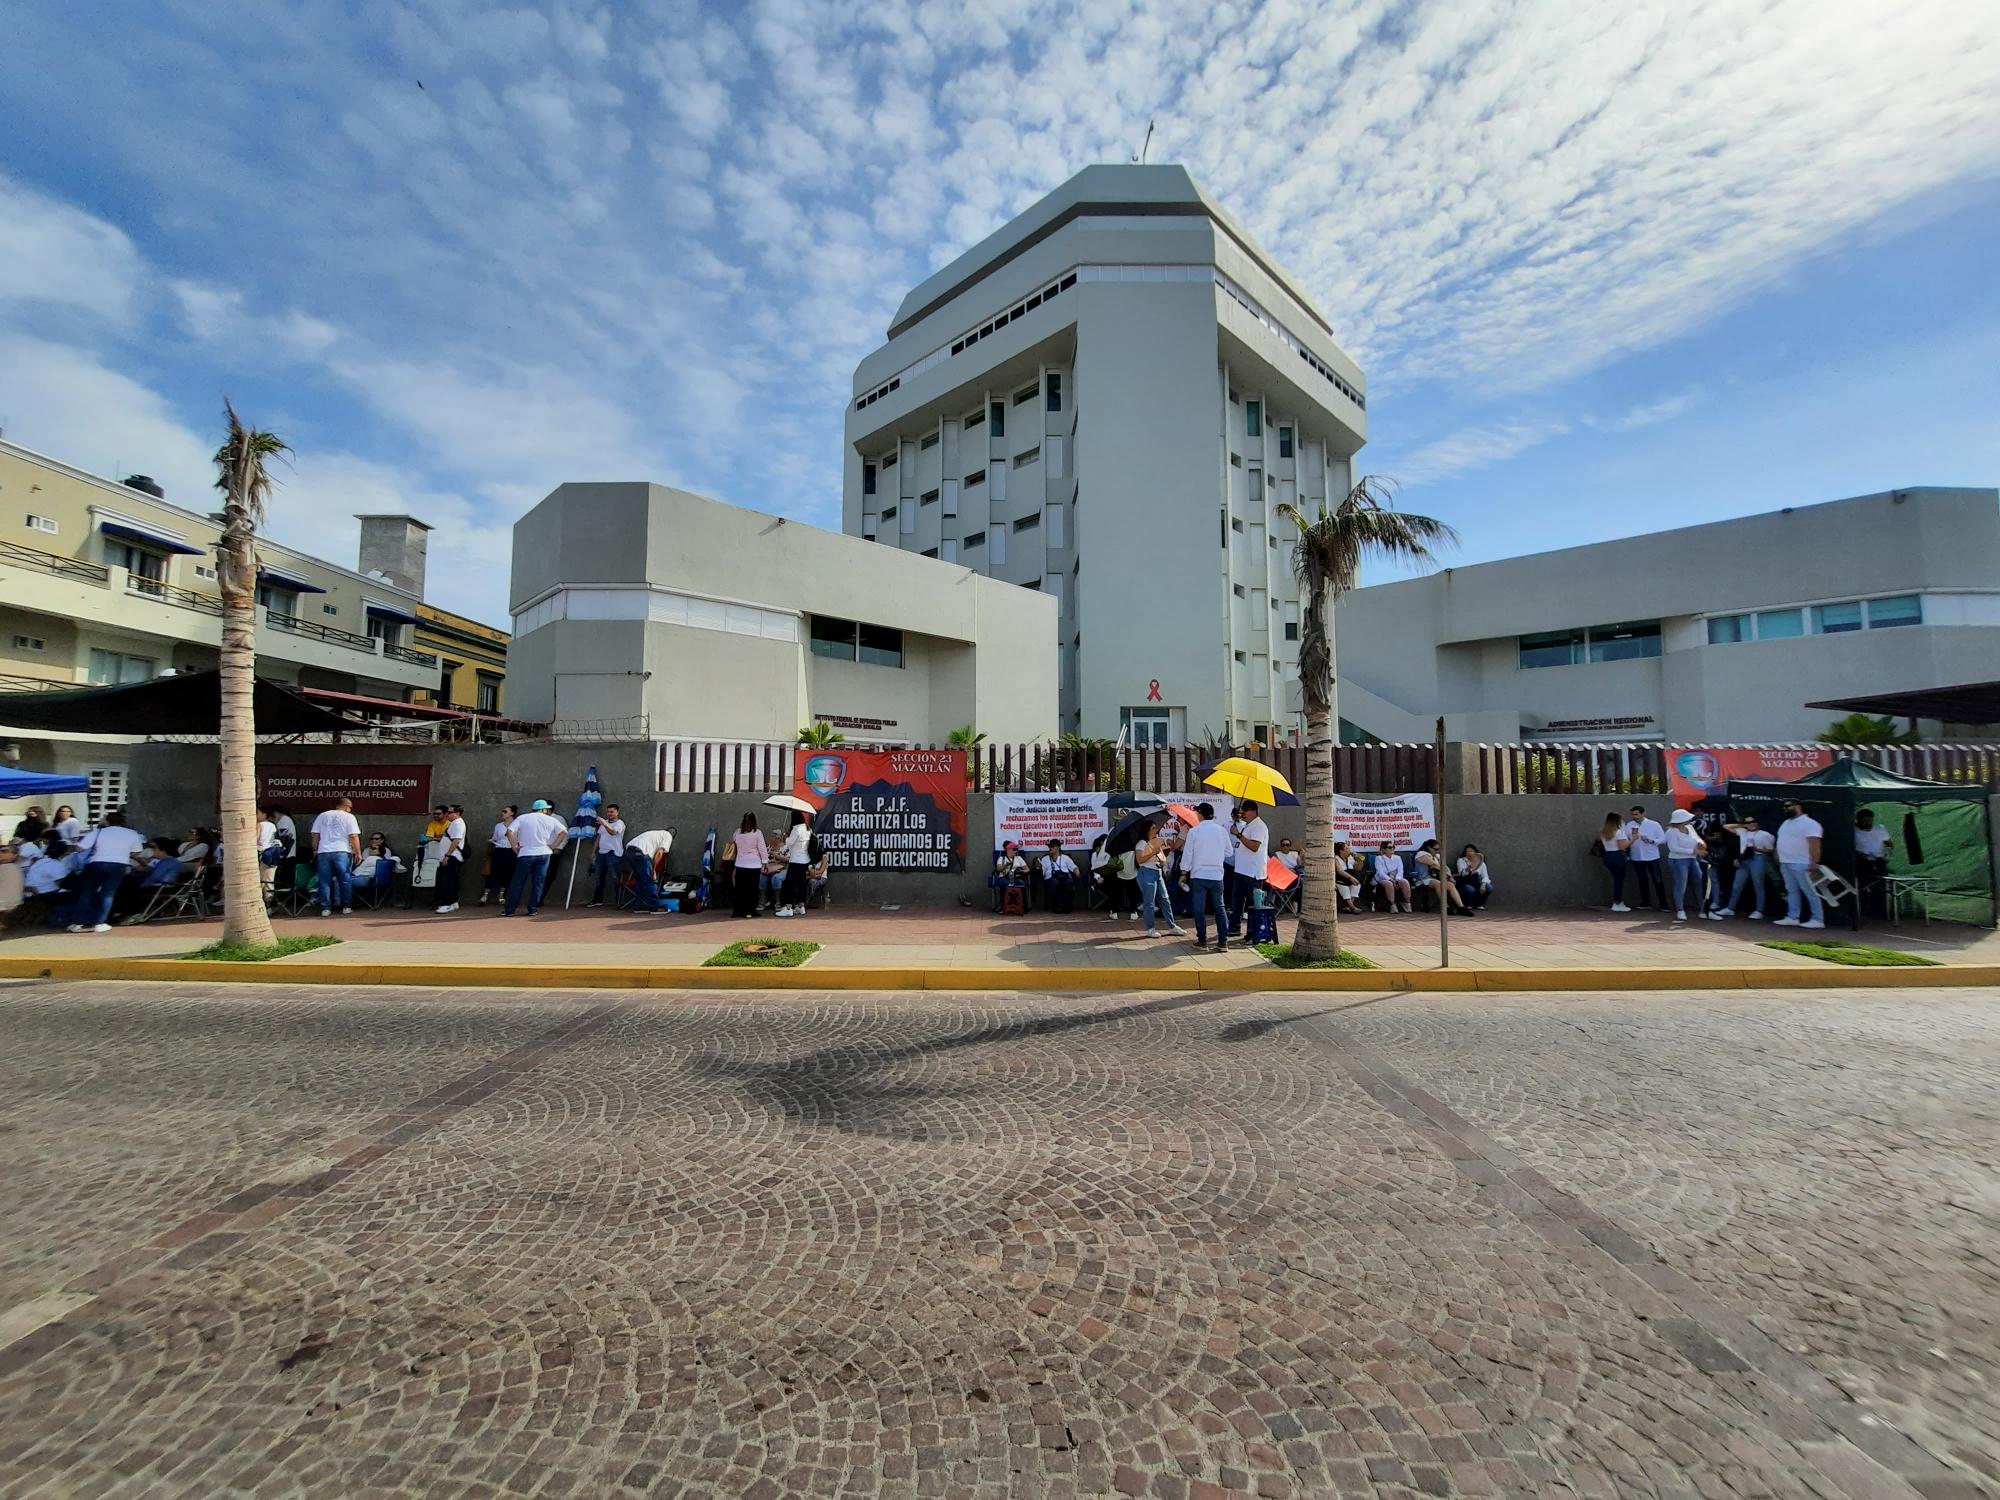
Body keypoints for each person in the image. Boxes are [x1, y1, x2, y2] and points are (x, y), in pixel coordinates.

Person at [63, 811, 148, 933]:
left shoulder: (98, 832)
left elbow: (80, 848)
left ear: (107, 821)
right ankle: (100, 922)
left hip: (96, 862)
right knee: (108, 893)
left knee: (86, 893)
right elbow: (135, 853)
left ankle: (78, 923)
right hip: (119, 864)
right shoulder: (132, 833)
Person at [1178, 802, 1232, 951]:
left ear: (1200, 814)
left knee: (1199, 909)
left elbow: (1187, 855)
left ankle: (1202, 941)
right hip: (1216, 875)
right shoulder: (1221, 831)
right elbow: (1229, 852)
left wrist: (1183, 873)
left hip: (1199, 875)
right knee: (1219, 907)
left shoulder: (1194, 832)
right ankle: (1223, 942)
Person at [504, 799, 568, 916]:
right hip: (544, 853)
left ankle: (510, 909)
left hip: (526, 853)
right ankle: (532, 908)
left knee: (518, 882)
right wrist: (553, 845)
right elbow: (563, 832)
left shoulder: (523, 818)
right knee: (538, 882)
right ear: (544, 809)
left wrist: (514, 846)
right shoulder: (551, 819)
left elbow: (509, 832)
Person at [1773, 798, 1826, 929]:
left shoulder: (1810, 823)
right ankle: (1792, 917)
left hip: (1802, 862)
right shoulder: (1785, 823)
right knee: (1791, 890)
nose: (1785, 809)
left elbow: (1815, 844)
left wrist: (1814, 862)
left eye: (1788, 806)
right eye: (1784, 807)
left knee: (1810, 891)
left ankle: (1818, 919)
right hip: (1786, 862)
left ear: (1798, 806)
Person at [1715, 813, 1775, 920]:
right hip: (1744, 858)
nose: (1751, 824)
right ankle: (1730, 908)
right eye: (1748, 822)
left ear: (1757, 823)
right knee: (1737, 884)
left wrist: (1758, 849)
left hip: (1758, 858)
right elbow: (1726, 826)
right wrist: (1742, 825)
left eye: (1753, 822)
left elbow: (1770, 850)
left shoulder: (1764, 834)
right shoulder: (1742, 831)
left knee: (1758, 884)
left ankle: (1759, 910)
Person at [311, 796, 363, 917]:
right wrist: (358, 852)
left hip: (323, 851)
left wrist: (315, 849)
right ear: (346, 806)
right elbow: (353, 836)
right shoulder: (349, 817)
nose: (350, 810)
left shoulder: (322, 816)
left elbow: (314, 834)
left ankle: (325, 908)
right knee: (345, 879)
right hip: (342, 851)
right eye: (350, 807)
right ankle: (346, 906)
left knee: (324, 880)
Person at [1663, 809, 1718, 922]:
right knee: (1681, 885)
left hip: (1693, 860)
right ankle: (1680, 910)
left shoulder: (1690, 828)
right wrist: (1694, 851)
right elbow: (1674, 848)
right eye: (1687, 818)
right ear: (1681, 820)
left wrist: (1701, 844)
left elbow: (1697, 838)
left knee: (1699, 882)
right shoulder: (1671, 832)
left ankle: (1704, 910)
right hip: (1677, 861)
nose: (1690, 819)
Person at [1133, 821, 1185, 937]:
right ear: (1147, 830)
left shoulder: (1155, 842)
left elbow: (1162, 858)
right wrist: (1153, 853)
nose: (1156, 829)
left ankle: (1172, 926)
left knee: (1165, 899)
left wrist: (1162, 861)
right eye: (1153, 827)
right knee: (1149, 902)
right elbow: (1140, 860)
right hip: (1146, 872)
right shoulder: (1141, 843)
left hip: (1157, 872)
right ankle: (1150, 928)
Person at [1227, 802, 1271, 934]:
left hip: (1252, 872)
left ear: (1254, 811)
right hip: (1241, 869)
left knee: (1253, 903)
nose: (1242, 814)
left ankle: (1254, 931)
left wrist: (1238, 835)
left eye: (1245, 811)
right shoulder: (1248, 825)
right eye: (1242, 810)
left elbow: (1254, 846)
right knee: (1236, 901)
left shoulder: (1259, 826)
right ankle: (1235, 927)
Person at [1624, 805, 1667, 909]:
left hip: (1652, 856)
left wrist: (1652, 841)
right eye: (1632, 814)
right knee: (1642, 880)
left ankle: (1664, 903)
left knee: (1657, 880)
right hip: (1637, 857)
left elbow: (1663, 839)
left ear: (1643, 814)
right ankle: (1645, 902)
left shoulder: (1654, 824)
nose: (1634, 816)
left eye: (1636, 814)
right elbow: (1625, 838)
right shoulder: (1629, 825)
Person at [1853, 809, 1894, 919]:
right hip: (1862, 862)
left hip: (1879, 861)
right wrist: (1859, 854)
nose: (1868, 824)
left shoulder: (1880, 829)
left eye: (1870, 821)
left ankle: (1879, 912)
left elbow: (1889, 844)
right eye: (1865, 821)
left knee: (1880, 887)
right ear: (1858, 820)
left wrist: (1888, 853)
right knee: (1862, 887)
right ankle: (1864, 912)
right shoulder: (1852, 830)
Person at [621, 827, 674, 910]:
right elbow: (660, 853)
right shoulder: (668, 836)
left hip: (628, 852)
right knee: (650, 880)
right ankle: (655, 906)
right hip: (641, 852)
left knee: (640, 880)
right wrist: (653, 870)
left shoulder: (654, 833)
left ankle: (639, 905)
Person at [587, 802, 628, 907]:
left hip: (613, 853)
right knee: (599, 878)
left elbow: (613, 832)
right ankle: (597, 900)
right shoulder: (604, 823)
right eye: (608, 811)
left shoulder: (620, 823)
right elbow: (599, 837)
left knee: (615, 878)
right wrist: (593, 852)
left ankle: (619, 901)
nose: (609, 814)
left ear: (617, 812)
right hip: (601, 853)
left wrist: (604, 824)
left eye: (612, 812)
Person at [728, 813, 768, 919]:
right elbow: (762, 848)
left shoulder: (737, 832)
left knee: (740, 889)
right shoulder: (757, 833)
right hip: (754, 864)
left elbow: (734, 842)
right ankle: (751, 910)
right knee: (752, 889)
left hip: (740, 863)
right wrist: (765, 861)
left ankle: (738, 910)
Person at [1413, 839, 1466, 913]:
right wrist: (1444, 870)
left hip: (1434, 879)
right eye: (1435, 849)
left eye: (1439, 849)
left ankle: (1461, 907)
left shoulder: (1436, 856)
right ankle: (1445, 907)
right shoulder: (1421, 854)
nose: (1437, 851)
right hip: (1422, 879)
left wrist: (1449, 875)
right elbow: (1435, 865)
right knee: (1438, 884)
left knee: (1450, 885)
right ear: (1429, 847)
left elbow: (1445, 866)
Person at [776, 809, 813, 918]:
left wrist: (785, 838)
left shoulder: (796, 829)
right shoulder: (808, 829)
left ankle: (788, 908)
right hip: (804, 860)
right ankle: (801, 906)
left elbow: (790, 842)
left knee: (789, 884)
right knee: (801, 883)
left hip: (795, 860)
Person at [481, 805, 518, 906]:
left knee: (507, 874)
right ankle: (485, 895)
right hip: (499, 850)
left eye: (505, 811)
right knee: (493, 872)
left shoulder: (517, 825)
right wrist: (491, 840)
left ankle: (501, 895)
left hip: (511, 851)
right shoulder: (498, 825)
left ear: (512, 813)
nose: (503, 813)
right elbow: (495, 837)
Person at [433, 805, 467, 913]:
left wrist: (447, 855)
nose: (447, 814)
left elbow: (456, 840)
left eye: (450, 812)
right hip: (450, 857)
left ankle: (447, 904)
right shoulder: (454, 823)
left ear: (457, 813)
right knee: (450, 881)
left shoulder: (458, 824)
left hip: (452, 857)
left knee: (448, 882)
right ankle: (453, 902)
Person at [1596, 812, 1632, 911]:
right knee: (1619, 880)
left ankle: (1618, 901)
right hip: (1618, 856)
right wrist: (1633, 839)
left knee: (1617, 879)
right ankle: (1618, 902)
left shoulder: (1603, 832)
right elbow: (1622, 846)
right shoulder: (1619, 832)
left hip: (1608, 856)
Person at [1372, 841, 1412, 913]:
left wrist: (1397, 879)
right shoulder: (1379, 858)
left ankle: (1407, 903)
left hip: (1395, 877)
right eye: (1390, 847)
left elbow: (1400, 871)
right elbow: (1380, 873)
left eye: (1393, 847)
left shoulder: (1398, 858)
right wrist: (1391, 880)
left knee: (1405, 882)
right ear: (1384, 850)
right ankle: (1392, 905)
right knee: (1389, 884)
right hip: (1382, 878)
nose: (1392, 849)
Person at [1040, 840, 1078, 914]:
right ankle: (1057, 906)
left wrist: (1076, 870)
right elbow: (1042, 872)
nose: (1049, 848)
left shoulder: (1065, 857)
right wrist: (1038, 868)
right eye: (1049, 847)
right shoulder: (1045, 859)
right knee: (1055, 882)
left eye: (1051, 846)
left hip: (1064, 877)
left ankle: (1067, 905)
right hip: (1051, 878)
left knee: (1069, 882)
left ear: (1057, 847)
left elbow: (1073, 867)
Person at [990, 841, 1030, 912]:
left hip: (1016, 876)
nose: (1016, 851)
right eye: (1014, 849)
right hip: (1004, 877)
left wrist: (1020, 871)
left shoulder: (1019, 858)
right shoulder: (1001, 858)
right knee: (1006, 884)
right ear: (1008, 850)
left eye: (1016, 849)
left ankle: (1023, 906)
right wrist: (1006, 865)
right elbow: (998, 869)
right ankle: (1004, 907)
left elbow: (1027, 869)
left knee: (1021, 883)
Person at [255, 806, 281, 906]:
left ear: (264, 814)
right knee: (270, 881)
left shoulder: (259, 825)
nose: (256, 815)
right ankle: (269, 903)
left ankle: (262, 903)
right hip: (273, 855)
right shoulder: (273, 825)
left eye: (258, 813)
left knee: (260, 881)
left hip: (262, 854)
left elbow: (255, 840)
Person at [1454, 844, 1492, 911]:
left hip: (1477, 882)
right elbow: (1461, 873)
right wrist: (1469, 868)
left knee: (1489, 887)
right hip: (1465, 882)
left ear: (1475, 852)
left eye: (1471, 851)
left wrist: (1483, 884)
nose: (1469, 853)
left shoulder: (1481, 863)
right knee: (1469, 889)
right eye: (1467, 851)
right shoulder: (1461, 860)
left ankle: (1479, 904)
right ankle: (1467, 904)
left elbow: (1485, 876)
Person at [1332, 841, 1363, 914]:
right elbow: (1340, 871)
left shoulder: (1350, 858)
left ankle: (1349, 907)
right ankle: (1353, 908)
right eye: (1347, 848)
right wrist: (1351, 878)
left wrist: (1360, 860)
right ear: (1341, 851)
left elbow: (1358, 868)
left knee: (1357, 885)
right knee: (1344, 889)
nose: (1349, 849)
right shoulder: (1335, 858)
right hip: (1340, 879)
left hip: (1350, 879)